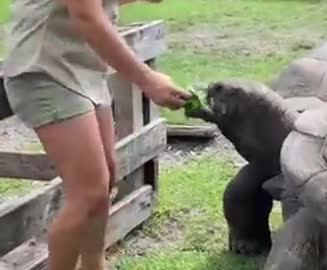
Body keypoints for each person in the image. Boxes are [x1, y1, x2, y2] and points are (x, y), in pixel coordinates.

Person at [2, 0, 190, 269]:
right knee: (88, 192)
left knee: (103, 182)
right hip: (45, 71)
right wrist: (148, 79)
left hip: (82, 70)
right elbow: (85, 14)